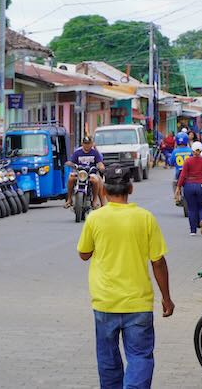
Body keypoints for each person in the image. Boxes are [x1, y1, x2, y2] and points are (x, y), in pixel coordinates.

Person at [77, 163, 174, 389]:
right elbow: (158, 261)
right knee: (140, 357)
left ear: (103, 190)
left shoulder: (95, 219)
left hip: (105, 302)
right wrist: (166, 298)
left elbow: (84, 254)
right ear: (131, 189)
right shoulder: (146, 218)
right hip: (138, 303)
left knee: (108, 361)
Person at [175, 142, 202, 236]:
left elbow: (183, 176)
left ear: (192, 150)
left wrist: (178, 187)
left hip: (189, 186)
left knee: (191, 208)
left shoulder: (188, 161)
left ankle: (193, 230)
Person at [65, 136, 105, 209]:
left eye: (89, 143)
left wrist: (101, 167)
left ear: (91, 144)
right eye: (85, 143)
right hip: (80, 173)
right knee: (70, 177)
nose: (87, 145)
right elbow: (71, 162)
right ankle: (69, 199)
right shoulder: (77, 152)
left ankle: (95, 200)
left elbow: (100, 163)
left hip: (91, 173)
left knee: (95, 180)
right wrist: (70, 163)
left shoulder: (95, 153)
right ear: (82, 144)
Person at [169, 132, 192, 205]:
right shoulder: (190, 150)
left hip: (179, 173)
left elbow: (171, 162)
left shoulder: (175, 151)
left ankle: (177, 197)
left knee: (174, 183)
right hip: (189, 173)